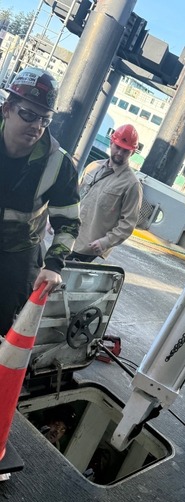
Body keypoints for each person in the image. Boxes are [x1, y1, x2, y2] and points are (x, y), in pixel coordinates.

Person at [0, 67, 80, 336]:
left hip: (18, 258)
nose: (36, 126)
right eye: (28, 115)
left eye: (44, 120)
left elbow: (68, 223)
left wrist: (54, 265)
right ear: (7, 108)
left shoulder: (58, 164)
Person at [66, 124, 142, 262]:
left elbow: (128, 223)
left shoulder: (132, 185)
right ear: (111, 142)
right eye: (118, 147)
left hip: (88, 249)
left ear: (132, 152)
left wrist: (106, 242)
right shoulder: (93, 166)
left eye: (125, 151)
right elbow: (74, 197)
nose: (120, 153)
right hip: (67, 237)